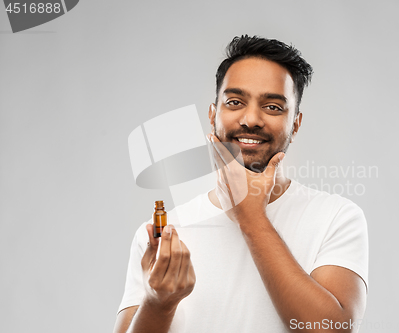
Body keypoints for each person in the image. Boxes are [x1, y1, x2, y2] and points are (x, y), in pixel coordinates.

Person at [113, 35, 368, 333]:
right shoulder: (165, 233)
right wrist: (158, 302)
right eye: (235, 102)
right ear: (212, 115)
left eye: (273, 107)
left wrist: (251, 216)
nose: (251, 119)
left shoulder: (336, 217)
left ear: (295, 125)